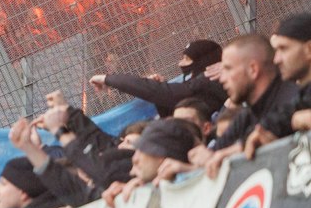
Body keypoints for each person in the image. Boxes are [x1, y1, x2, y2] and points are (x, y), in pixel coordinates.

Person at [206, 32, 297, 160]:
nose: (222, 79)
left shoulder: (294, 101)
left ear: (253, 69)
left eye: (228, 69)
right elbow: (214, 152)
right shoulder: (247, 115)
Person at [90, 38, 226, 117]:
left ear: (202, 61)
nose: (180, 63)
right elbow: (169, 106)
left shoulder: (207, 81)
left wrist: (108, 79)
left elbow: (160, 92)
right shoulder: (199, 84)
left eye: (186, 59)